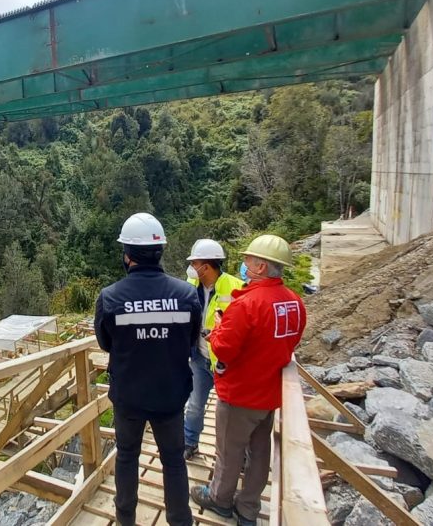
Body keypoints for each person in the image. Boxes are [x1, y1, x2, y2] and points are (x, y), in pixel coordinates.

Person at [191, 235, 306, 526]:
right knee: (259, 454)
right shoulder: (294, 302)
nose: (243, 265)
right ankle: (249, 508)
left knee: (229, 452)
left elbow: (225, 347)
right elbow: (292, 340)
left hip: (240, 393)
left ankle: (220, 499)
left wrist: (216, 330)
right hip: (269, 393)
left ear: (261, 266)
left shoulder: (247, 303)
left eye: (248, 261)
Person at [95, 212, 202, 526]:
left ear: (127, 255)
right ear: (161, 251)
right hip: (171, 396)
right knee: (173, 461)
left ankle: (125, 520)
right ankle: (180, 520)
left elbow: (105, 343)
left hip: (129, 398)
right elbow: (192, 341)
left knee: (127, 456)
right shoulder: (186, 295)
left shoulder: (111, 298)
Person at [183, 239, 245, 460]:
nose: (192, 267)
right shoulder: (190, 284)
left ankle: (238, 455)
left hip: (227, 363)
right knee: (195, 405)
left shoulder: (236, 287)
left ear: (206, 266)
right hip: (199, 357)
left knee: (232, 412)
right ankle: (189, 443)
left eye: (195, 262)